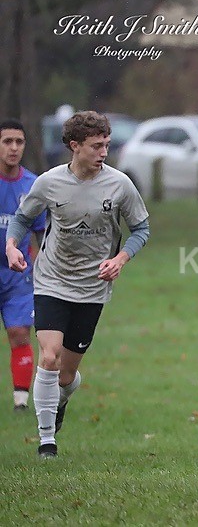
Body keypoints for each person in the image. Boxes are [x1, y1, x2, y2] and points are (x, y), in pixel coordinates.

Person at [5, 111, 151, 458]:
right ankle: (46, 441)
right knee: (50, 357)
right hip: (51, 280)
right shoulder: (49, 182)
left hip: (92, 287)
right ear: (75, 147)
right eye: (96, 146)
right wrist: (12, 246)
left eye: (106, 145)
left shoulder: (120, 185)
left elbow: (141, 230)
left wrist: (120, 259)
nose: (103, 152)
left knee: (66, 375)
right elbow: (23, 218)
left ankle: (61, 400)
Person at [0, 120, 46, 411]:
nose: (14, 148)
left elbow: (42, 233)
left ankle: (20, 402)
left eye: (19, 142)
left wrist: (41, 260)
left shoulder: (33, 185)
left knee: (19, 333)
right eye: (7, 141)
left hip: (18, 274)